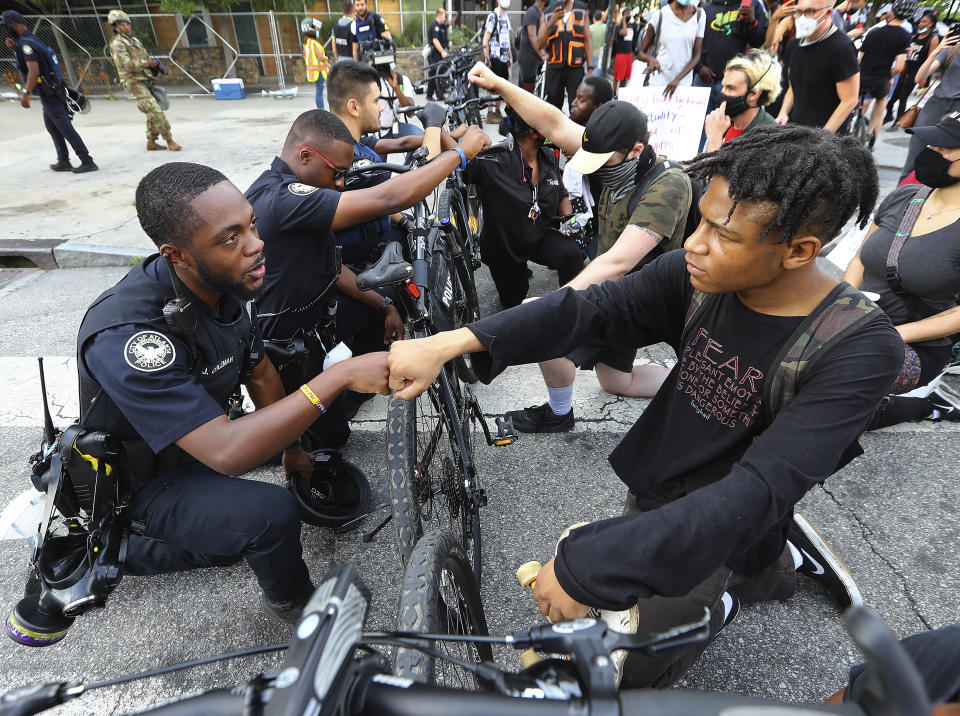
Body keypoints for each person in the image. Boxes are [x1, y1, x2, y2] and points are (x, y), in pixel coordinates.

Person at [386, 123, 904, 688]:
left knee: (625, 664)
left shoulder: (859, 346)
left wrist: (590, 566)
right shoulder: (700, 275)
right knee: (713, 565)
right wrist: (455, 341)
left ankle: (750, 580)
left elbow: (755, 490)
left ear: (799, 251)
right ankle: (768, 564)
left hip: (732, 505)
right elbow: (591, 309)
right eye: (699, 220)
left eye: (722, 234)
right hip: (666, 478)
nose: (694, 243)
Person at [76, 161, 391, 625]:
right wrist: (337, 378)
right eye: (230, 238)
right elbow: (226, 452)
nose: (256, 244)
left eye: (252, 225)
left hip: (196, 442)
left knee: (309, 441)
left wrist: (293, 451)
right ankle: (294, 606)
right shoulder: (131, 334)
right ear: (177, 255)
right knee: (269, 515)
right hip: (141, 482)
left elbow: (259, 373)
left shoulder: (219, 283)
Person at [245, 110, 488, 450]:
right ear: (304, 156)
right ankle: (276, 432)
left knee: (385, 305)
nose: (341, 183)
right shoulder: (282, 197)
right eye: (338, 173)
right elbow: (389, 197)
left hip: (318, 318)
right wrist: (460, 153)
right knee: (330, 443)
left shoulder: (291, 191)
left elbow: (329, 267)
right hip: (287, 345)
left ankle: (344, 391)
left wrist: (385, 305)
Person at [467, 63, 692, 429]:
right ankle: (694, 382)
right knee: (616, 380)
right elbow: (553, 122)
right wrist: (497, 83)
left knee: (542, 316)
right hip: (622, 288)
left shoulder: (668, 185)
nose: (591, 169)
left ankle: (558, 414)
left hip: (647, 298)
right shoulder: (610, 154)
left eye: (601, 163)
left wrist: (554, 305)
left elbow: (618, 262)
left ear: (636, 150)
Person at [844, 112, 960, 427]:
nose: (931, 152)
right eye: (931, 143)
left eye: (946, 148)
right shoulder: (903, 197)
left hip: (915, 344)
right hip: (858, 323)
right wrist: (846, 307)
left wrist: (893, 334)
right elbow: (859, 258)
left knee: (835, 375)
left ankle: (918, 407)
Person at [466, 108, 584, 308]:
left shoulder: (548, 155)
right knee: (517, 305)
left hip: (538, 234)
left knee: (571, 253)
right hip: (505, 247)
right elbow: (459, 162)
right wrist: (443, 133)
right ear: (534, 133)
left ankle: (573, 310)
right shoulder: (495, 161)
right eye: (551, 126)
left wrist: (569, 219)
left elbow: (561, 192)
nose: (557, 130)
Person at [326, 61, 426, 267]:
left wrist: (448, 135)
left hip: (379, 233)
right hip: (372, 256)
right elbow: (406, 193)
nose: (381, 107)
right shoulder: (356, 163)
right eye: (376, 101)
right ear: (354, 107)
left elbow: (400, 142)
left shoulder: (344, 141)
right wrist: (448, 143)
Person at [2, 9, 97, 173]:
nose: (5, 29)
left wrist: (26, 93)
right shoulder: (31, 40)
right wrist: (14, 48)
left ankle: (87, 160)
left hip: (49, 92)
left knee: (64, 126)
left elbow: (33, 71)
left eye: (7, 25)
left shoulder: (26, 44)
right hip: (53, 89)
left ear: (14, 24)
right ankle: (63, 161)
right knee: (52, 126)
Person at [775, 0, 860, 133]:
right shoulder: (794, 44)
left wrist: (822, 137)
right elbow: (793, 86)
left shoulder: (842, 49)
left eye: (810, 11)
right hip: (796, 131)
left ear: (828, 12)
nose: (803, 17)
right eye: (799, 11)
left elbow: (849, 100)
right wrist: (783, 113)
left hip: (828, 139)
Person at [695, 0, 768, 146]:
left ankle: (719, 163)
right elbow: (693, 43)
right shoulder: (706, 9)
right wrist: (699, 67)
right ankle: (699, 162)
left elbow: (758, 41)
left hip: (734, 86)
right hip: (704, 81)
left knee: (729, 129)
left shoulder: (751, 4)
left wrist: (751, 21)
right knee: (698, 127)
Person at [107, 9, 180, 152]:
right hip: (133, 82)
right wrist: (147, 63)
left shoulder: (135, 41)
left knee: (151, 112)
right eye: (122, 25)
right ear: (115, 26)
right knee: (156, 111)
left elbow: (143, 58)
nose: (127, 27)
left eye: (128, 24)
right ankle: (169, 140)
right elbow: (127, 64)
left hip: (145, 79)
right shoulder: (117, 44)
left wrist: (153, 66)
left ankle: (151, 142)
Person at [899, 26, 960, 181]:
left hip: (957, 114)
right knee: (913, 160)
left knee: (947, 167)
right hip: (936, 106)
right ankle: (899, 199)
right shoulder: (953, 47)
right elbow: (919, 78)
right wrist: (937, 50)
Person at [565, 76, 615, 261]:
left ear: (598, 107)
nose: (573, 103)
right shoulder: (571, 127)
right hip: (580, 212)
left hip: (601, 219)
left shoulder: (608, 137)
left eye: (582, 100)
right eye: (576, 97)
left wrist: (583, 161)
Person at [857, 0, 913, 144]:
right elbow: (899, 67)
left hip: (861, 76)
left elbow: (860, 58)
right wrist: (890, 77)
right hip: (881, 78)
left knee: (852, 101)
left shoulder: (874, 32)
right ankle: (869, 133)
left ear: (892, 12)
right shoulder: (905, 36)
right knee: (881, 101)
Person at [703, 50, 782, 151]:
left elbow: (716, 167)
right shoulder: (724, 123)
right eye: (723, 86)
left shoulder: (768, 139)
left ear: (754, 94)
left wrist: (714, 141)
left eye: (730, 88)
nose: (723, 93)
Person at [636, 0, 705, 98]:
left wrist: (677, 79)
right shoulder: (660, 15)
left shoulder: (699, 15)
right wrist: (651, 59)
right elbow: (640, 53)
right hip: (658, 82)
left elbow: (697, 55)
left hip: (683, 85)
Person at [535, 0, 594, 110]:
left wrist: (590, 68)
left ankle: (575, 127)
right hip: (554, 68)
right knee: (553, 106)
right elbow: (539, 44)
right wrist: (551, 22)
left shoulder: (581, 9)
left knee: (577, 105)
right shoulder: (547, 12)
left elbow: (587, 39)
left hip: (575, 68)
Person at [886, 9, 940, 127]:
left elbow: (930, 58)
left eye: (924, 21)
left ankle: (898, 122)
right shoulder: (915, 35)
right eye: (920, 21)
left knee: (903, 96)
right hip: (906, 67)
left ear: (930, 24)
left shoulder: (933, 38)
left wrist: (924, 78)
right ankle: (888, 115)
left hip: (917, 71)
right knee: (893, 96)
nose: (920, 24)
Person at [482, 0, 513, 124]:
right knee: (491, 87)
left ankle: (497, 111)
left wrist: (510, 56)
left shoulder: (506, 17)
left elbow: (507, 38)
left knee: (501, 87)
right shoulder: (492, 16)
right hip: (494, 57)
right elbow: (486, 39)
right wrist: (487, 57)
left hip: (504, 58)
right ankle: (490, 112)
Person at [519, 0, 548, 92]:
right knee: (527, 90)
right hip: (529, 57)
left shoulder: (541, 13)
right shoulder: (532, 12)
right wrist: (542, 55)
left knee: (537, 89)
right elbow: (532, 36)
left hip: (536, 58)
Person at [301, 18, 330, 110]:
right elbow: (321, 58)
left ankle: (320, 109)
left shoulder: (306, 44)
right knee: (319, 92)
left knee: (318, 91)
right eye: (316, 29)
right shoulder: (314, 43)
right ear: (311, 30)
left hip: (313, 73)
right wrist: (326, 58)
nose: (318, 31)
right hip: (319, 72)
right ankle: (321, 109)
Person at [612, 8, 638, 94]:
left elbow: (633, 40)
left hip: (629, 55)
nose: (628, 15)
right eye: (626, 14)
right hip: (621, 55)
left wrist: (633, 53)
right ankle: (614, 93)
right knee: (617, 77)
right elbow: (624, 33)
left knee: (625, 77)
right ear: (623, 16)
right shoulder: (619, 27)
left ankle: (621, 94)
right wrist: (623, 21)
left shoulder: (632, 27)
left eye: (629, 14)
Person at [426, 8, 448, 101]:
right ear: (439, 15)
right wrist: (443, 51)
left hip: (438, 55)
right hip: (434, 55)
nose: (445, 18)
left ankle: (440, 95)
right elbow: (435, 40)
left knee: (440, 74)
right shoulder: (434, 26)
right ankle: (429, 95)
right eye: (444, 16)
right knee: (434, 74)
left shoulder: (440, 26)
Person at [589, 10, 607, 78]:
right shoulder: (606, 27)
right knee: (597, 77)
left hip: (590, 55)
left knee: (589, 75)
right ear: (601, 18)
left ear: (594, 18)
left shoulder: (590, 28)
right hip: (601, 55)